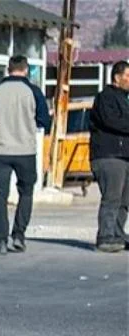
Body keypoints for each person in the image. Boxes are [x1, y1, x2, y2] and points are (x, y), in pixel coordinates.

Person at [0, 55, 51, 255]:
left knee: (0, 196)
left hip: (0, 151)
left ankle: (0, 239)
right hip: (26, 151)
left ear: (8, 69)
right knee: (26, 193)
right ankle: (18, 235)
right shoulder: (34, 92)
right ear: (26, 70)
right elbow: (45, 120)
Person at [90, 60, 129, 253]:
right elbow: (112, 121)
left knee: (125, 200)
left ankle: (117, 234)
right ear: (117, 77)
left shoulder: (125, 98)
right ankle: (105, 236)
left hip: (125, 156)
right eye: (128, 76)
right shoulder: (105, 97)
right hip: (109, 155)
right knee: (112, 197)